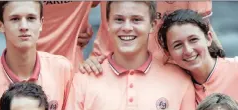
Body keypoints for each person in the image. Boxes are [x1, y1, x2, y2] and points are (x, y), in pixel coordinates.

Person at [51, 1, 205, 110]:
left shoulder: (178, 78)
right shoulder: (85, 78)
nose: (127, 27)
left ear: (152, 24)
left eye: (136, 20)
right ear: (107, 24)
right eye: (119, 20)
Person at [86, 1, 219, 68]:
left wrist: (221, 70)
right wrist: (79, 27)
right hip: (102, 67)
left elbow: (202, 29)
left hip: (169, 73)